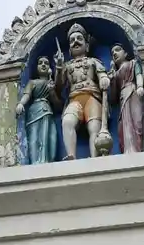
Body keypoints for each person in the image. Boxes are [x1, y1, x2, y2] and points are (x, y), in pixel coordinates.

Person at [54, 24, 110, 160]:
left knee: (94, 127)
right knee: (67, 121)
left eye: (79, 38)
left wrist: (104, 78)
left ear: (87, 45)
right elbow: (59, 86)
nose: (76, 42)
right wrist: (59, 67)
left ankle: (95, 157)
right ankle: (71, 155)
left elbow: (102, 73)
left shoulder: (93, 61)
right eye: (72, 40)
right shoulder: (67, 66)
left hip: (92, 97)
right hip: (75, 99)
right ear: (69, 49)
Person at [16, 56, 61, 165]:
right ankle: (36, 161)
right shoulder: (32, 82)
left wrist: (52, 91)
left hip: (48, 111)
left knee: (50, 137)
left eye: (46, 63)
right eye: (40, 63)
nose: (43, 65)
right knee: (34, 137)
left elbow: (58, 105)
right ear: (36, 67)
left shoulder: (52, 84)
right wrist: (21, 103)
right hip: (35, 111)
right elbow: (27, 95)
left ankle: (47, 160)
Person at [109, 44, 144, 154]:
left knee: (136, 122)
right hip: (123, 96)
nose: (114, 53)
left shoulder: (133, 63)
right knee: (124, 124)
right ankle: (128, 150)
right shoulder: (116, 72)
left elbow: (138, 74)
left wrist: (140, 86)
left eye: (118, 50)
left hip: (133, 92)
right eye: (112, 52)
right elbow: (113, 97)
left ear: (125, 53)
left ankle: (137, 148)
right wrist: (112, 79)